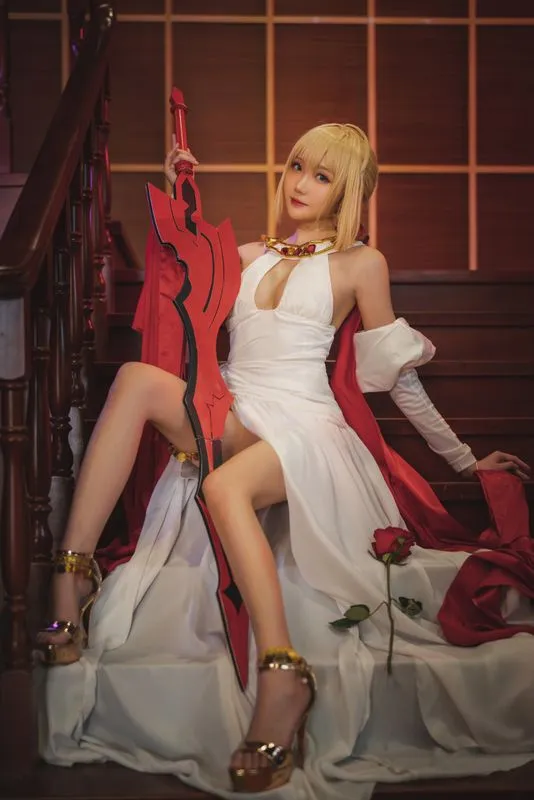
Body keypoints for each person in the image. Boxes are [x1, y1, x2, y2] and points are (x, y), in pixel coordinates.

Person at [38, 124, 534, 799]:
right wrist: (181, 203)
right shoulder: (244, 254)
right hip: (236, 408)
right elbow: (177, 306)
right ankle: (72, 576)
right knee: (133, 381)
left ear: (348, 191)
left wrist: (466, 460)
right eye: (298, 166)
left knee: (223, 487)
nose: (301, 183)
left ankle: (282, 673)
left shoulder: (362, 264)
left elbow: (398, 379)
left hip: (303, 427)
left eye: (322, 176)